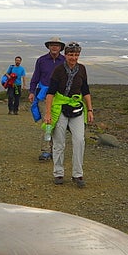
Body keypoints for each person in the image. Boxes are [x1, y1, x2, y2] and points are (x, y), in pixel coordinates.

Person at [43, 41, 93, 189]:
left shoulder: (82, 69)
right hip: (60, 107)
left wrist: (90, 110)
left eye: (76, 54)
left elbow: (86, 90)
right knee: (59, 142)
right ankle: (58, 172)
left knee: (79, 140)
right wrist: (48, 113)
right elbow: (50, 93)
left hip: (76, 108)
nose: (73, 57)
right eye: (71, 54)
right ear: (66, 55)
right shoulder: (58, 70)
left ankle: (78, 174)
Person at [29, 37, 66, 160]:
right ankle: (46, 150)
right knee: (47, 122)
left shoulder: (65, 60)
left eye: (57, 45)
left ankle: (56, 149)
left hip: (60, 96)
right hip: (44, 95)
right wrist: (31, 92)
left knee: (60, 123)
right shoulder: (42, 60)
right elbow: (35, 77)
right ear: (48, 46)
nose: (54, 47)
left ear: (61, 47)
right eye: (52, 45)